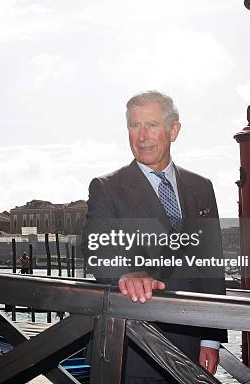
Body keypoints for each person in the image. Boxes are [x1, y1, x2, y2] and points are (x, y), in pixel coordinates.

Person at [81, 91, 227, 382]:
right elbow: (96, 245)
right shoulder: (107, 187)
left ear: (174, 130)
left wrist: (210, 338)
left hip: (189, 343)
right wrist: (126, 272)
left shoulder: (202, 187)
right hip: (128, 344)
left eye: (151, 125)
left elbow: (211, 264)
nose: (142, 136)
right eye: (134, 126)